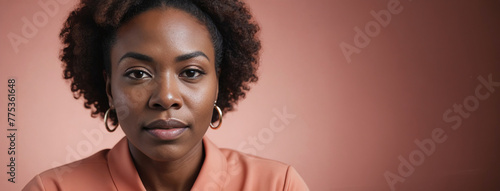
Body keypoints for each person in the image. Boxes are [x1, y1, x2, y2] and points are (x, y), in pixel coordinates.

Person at [23, 0, 309, 190]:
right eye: (138, 74)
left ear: (218, 85)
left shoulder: (277, 185)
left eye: (191, 72)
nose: (166, 96)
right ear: (110, 88)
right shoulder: (52, 189)